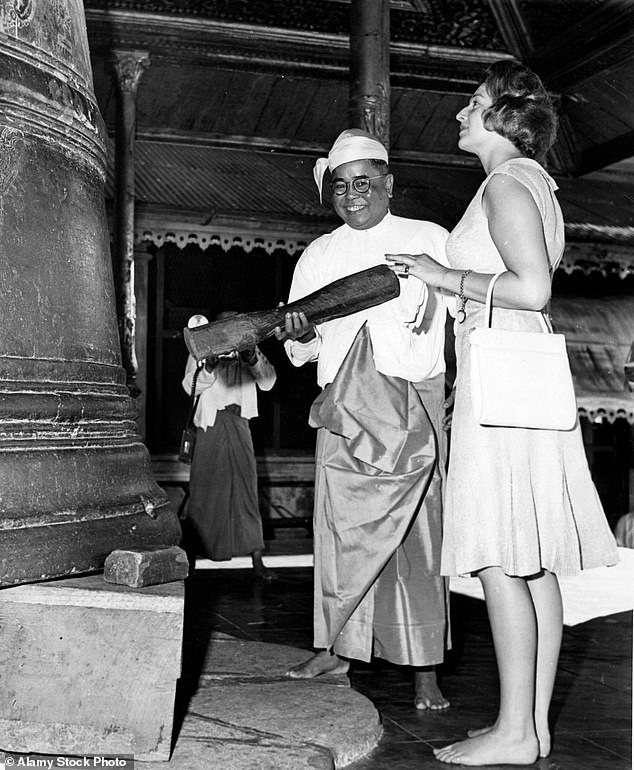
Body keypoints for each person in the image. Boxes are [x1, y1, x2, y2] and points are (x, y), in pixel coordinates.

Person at [386, 60, 619, 765]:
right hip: (518, 371)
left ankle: (515, 731)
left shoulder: (506, 181)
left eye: (471, 102)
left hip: (505, 376)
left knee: (499, 557)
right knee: (531, 562)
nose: (460, 113)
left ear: (502, 115)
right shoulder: (531, 182)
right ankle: (533, 728)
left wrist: (439, 274)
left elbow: (533, 288)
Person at [277, 128, 451, 710]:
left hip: (410, 402)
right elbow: (300, 345)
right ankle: (336, 648)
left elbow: (454, 314)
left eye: (365, 183)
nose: (353, 196)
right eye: (342, 187)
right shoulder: (318, 255)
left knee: (418, 540)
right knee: (339, 536)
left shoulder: (429, 240)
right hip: (343, 409)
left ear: (388, 184)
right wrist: (299, 333)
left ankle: (425, 668)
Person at [181, 312, 277, 581]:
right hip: (210, 427)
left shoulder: (249, 347)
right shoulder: (202, 345)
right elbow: (188, 386)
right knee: (204, 492)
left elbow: (268, 382)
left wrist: (250, 357)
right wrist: (209, 366)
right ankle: (193, 562)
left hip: (239, 424)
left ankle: (257, 560)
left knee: (246, 491)